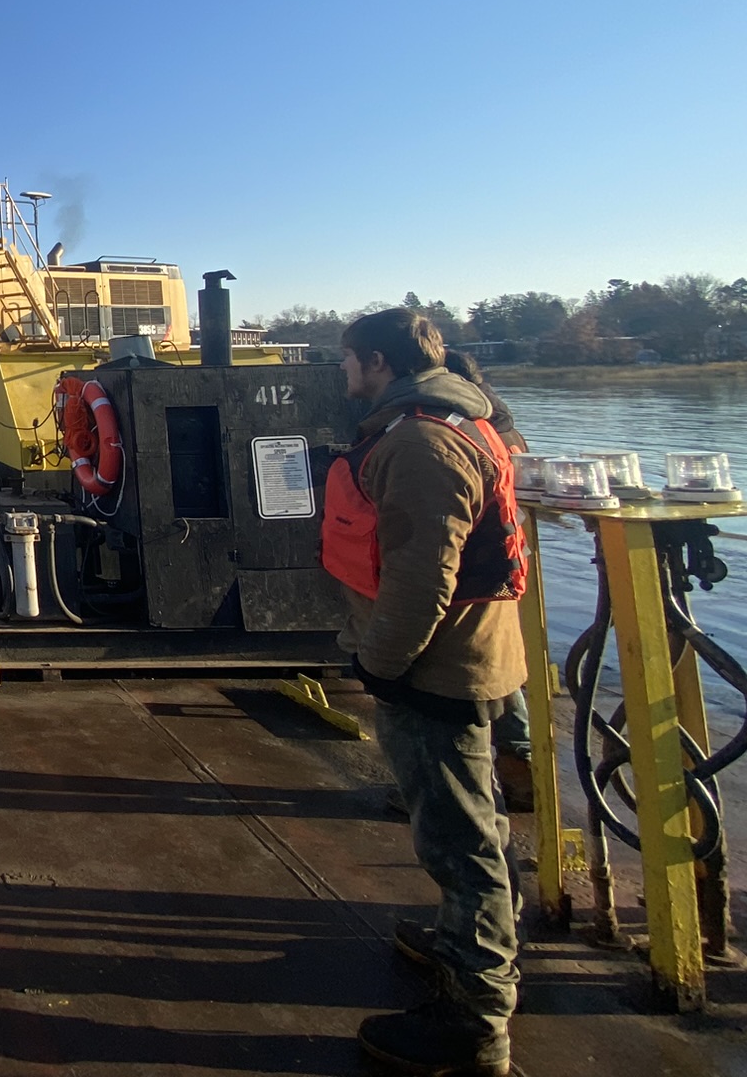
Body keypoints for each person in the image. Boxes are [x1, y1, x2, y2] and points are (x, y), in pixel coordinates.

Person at [324, 307, 526, 1077]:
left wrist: (380, 661)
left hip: (437, 667)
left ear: (376, 362)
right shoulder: (451, 419)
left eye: (345, 363)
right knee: (478, 821)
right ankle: (465, 944)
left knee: (459, 841)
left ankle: (474, 1021)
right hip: (463, 655)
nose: (341, 376)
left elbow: (421, 572)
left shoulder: (419, 440)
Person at [442, 349, 536, 813]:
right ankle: (523, 767)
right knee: (501, 665)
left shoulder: (462, 430)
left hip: (477, 569)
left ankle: (507, 767)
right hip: (507, 562)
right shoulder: (500, 426)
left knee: (477, 674)